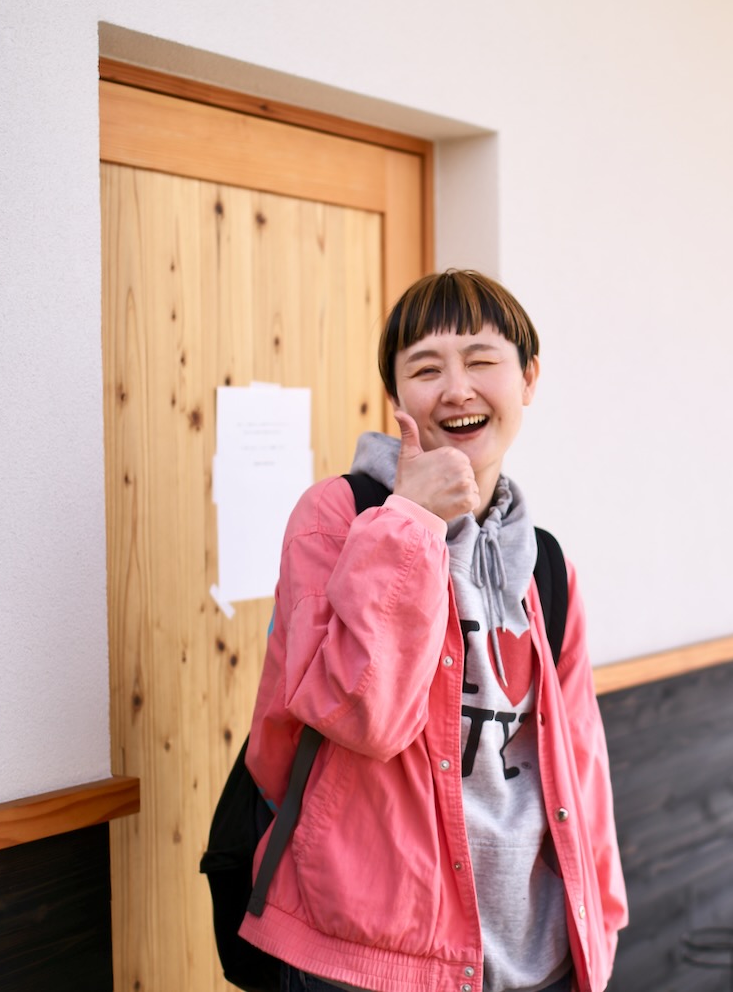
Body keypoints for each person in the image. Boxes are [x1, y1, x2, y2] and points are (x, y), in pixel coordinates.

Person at [242, 269, 628, 992]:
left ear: (528, 379)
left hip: (537, 950)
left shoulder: (545, 562)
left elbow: (582, 762)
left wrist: (597, 926)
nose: (456, 390)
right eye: (425, 369)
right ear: (396, 395)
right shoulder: (336, 519)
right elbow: (363, 716)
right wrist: (413, 520)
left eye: (481, 361)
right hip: (369, 957)